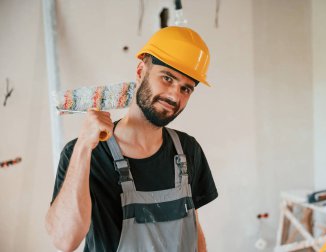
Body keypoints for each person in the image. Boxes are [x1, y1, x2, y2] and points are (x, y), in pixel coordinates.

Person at [45, 26, 218, 252]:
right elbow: (63, 240)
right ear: (140, 71)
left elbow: (193, 228)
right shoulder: (89, 152)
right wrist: (83, 147)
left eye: (186, 89)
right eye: (167, 78)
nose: (175, 95)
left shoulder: (187, 150)